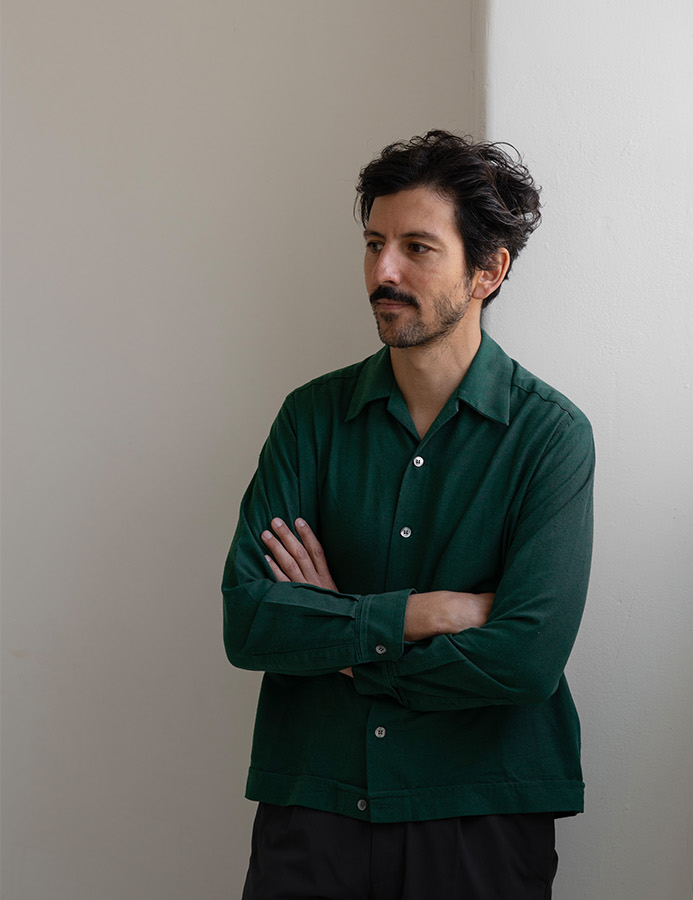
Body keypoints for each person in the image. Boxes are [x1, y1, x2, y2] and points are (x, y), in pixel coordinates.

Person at [221, 131, 593, 899]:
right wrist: (424, 614)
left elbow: (526, 660)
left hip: (480, 812)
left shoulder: (550, 437)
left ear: (488, 271)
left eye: (418, 247)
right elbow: (249, 620)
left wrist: (341, 634)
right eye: (374, 244)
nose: (383, 271)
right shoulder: (310, 420)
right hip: (315, 801)